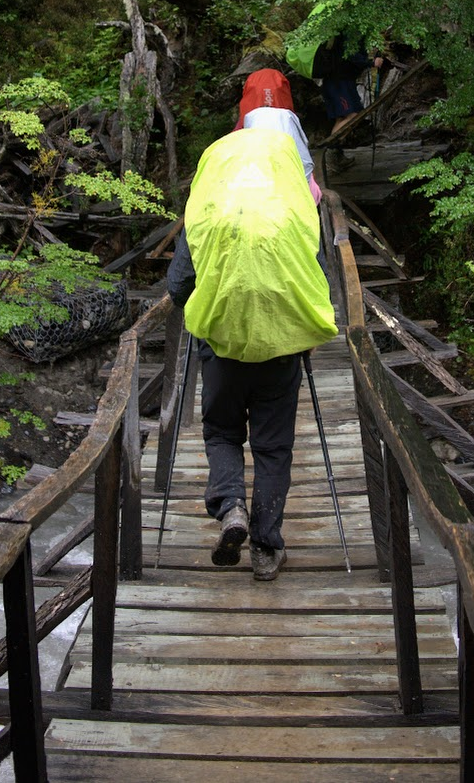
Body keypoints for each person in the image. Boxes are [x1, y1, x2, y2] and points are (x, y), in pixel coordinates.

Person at [167, 127, 337, 582]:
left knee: (221, 431)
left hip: (220, 348)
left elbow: (178, 285)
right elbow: (318, 280)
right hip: (281, 350)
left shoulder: (209, 212)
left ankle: (230, 505)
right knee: (273, 447)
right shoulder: (292, 212)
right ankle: (266, 547)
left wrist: (209, 310)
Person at [235, 68, 322, 203]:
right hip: (288, 190)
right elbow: (304, 161)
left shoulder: (245, 122)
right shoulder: (286, 117)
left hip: (253, 193)